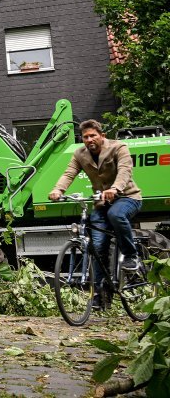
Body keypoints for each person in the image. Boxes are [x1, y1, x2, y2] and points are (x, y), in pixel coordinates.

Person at [49, 119, 142, 309]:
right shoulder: (80, 154)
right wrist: (58, 190)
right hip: (101, 203)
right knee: (97, 247)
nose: (89, 139)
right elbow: (69, 173)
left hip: (127, 197)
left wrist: (115, 188)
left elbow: (125, 170)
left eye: (93, 135)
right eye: (85, 137)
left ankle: (131, 257)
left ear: (102, 136)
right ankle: (101, 291)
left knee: (116, 215)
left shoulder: (118, 147)